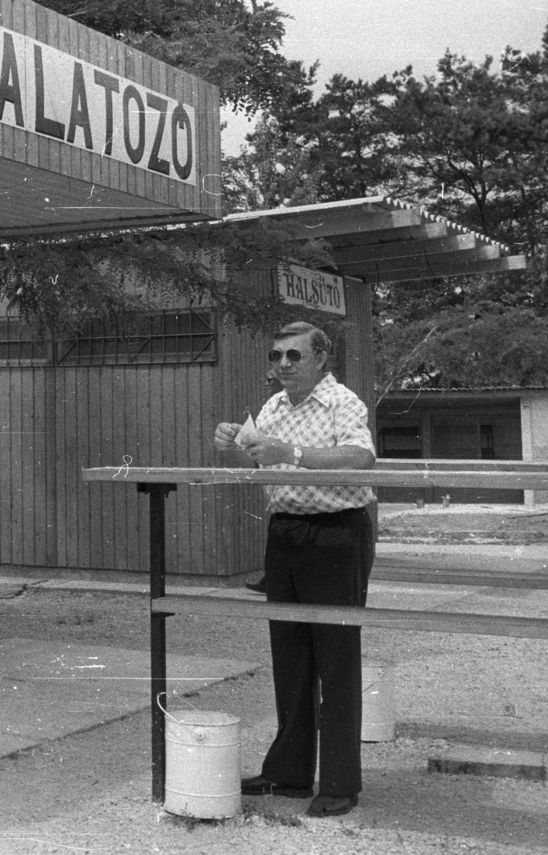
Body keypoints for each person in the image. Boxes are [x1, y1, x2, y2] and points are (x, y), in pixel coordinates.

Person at [213, 321, 376, 818]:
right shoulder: (273, 407)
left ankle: (340, 782)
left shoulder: (343, 402)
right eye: (277, 355)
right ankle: (289, 772)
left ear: (321, 359)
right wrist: (234, 443)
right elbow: (262, 458)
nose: (283, 365)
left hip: (336, 533)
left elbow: (361, 456)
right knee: (289, 655)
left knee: (337, 658)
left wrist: (297, 454)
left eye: (294, 356)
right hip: (285, 532)